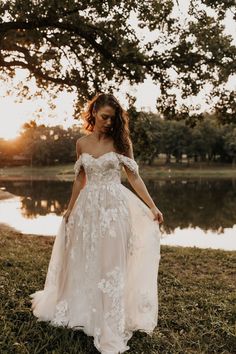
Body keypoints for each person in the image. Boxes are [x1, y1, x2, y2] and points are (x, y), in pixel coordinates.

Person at [29, 93, 164, 354]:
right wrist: (70, 208)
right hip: (87, 210)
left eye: (113, 119)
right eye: (104, 117)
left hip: (114, 209)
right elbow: (79, 180)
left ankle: (109, 316)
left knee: (111, 263)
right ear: (93, 114)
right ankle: (82, 309)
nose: (108, 123)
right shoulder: (81, 143)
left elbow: (134, 178)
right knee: (84, 259)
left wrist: (152, 206)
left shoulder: (121, 143)